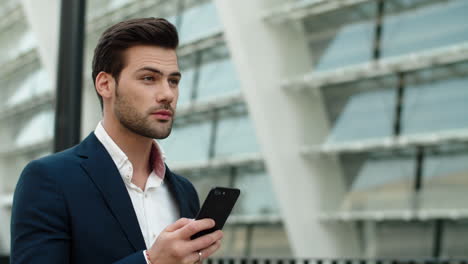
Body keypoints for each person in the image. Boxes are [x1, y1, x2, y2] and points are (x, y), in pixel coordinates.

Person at [10, 18, 223, 264]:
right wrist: (150, 261)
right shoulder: (49, 180)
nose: (167, 94)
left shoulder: (184, 192)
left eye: (173, 81)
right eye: (148, 78)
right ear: (105, 84)